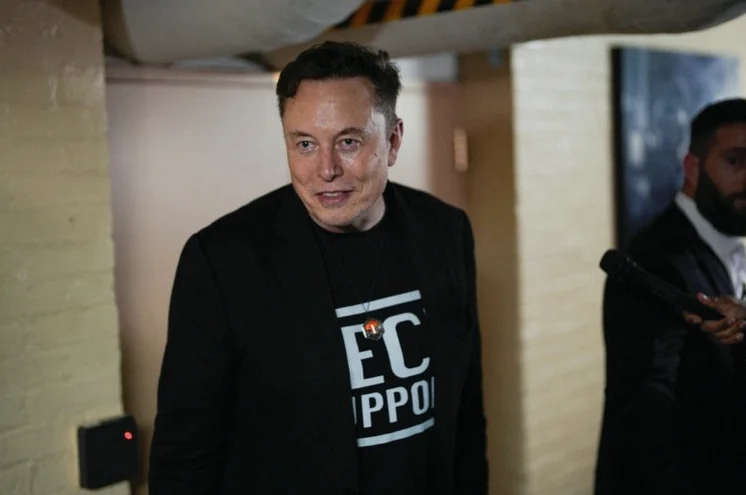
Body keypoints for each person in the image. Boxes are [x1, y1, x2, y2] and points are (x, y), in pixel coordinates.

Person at [148, 41, 488, 495]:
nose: (326, 170)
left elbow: (466, 410)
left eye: (348, 142)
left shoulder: (445, 232)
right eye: (305, 144)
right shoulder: (223, 261)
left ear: (392, 141)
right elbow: (184, 457)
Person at [595, 98, 746, 495]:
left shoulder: (730, 244)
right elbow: (645, 418)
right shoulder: (653, 262)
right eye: (735, 161)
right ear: (692, 168)